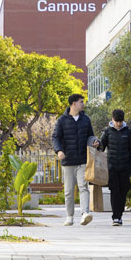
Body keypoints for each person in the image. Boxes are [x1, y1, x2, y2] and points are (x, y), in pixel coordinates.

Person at [51, 94, 98, 226]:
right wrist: (59, 150)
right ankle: (69, 216)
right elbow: (55, 137)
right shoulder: (62, 120)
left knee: (84, 187)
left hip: (83, 160)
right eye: (81, 102)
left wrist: (94, 141)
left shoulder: (86, 120)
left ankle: (85, 213)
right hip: (68, 161)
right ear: (73, 104)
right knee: (69, 190)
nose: (83, 104)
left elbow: (90, 135)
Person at [98, 109, 131, 226]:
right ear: (112, 120)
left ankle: (120, 214)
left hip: (125, 168)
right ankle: (116, 217)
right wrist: (97, 145)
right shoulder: (107, 132)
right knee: (114, 191)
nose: (119, 124)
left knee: (123, 191)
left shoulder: (128, 132)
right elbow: (101, 147)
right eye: (117, 121)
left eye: (120, 121)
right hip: (112, 168)